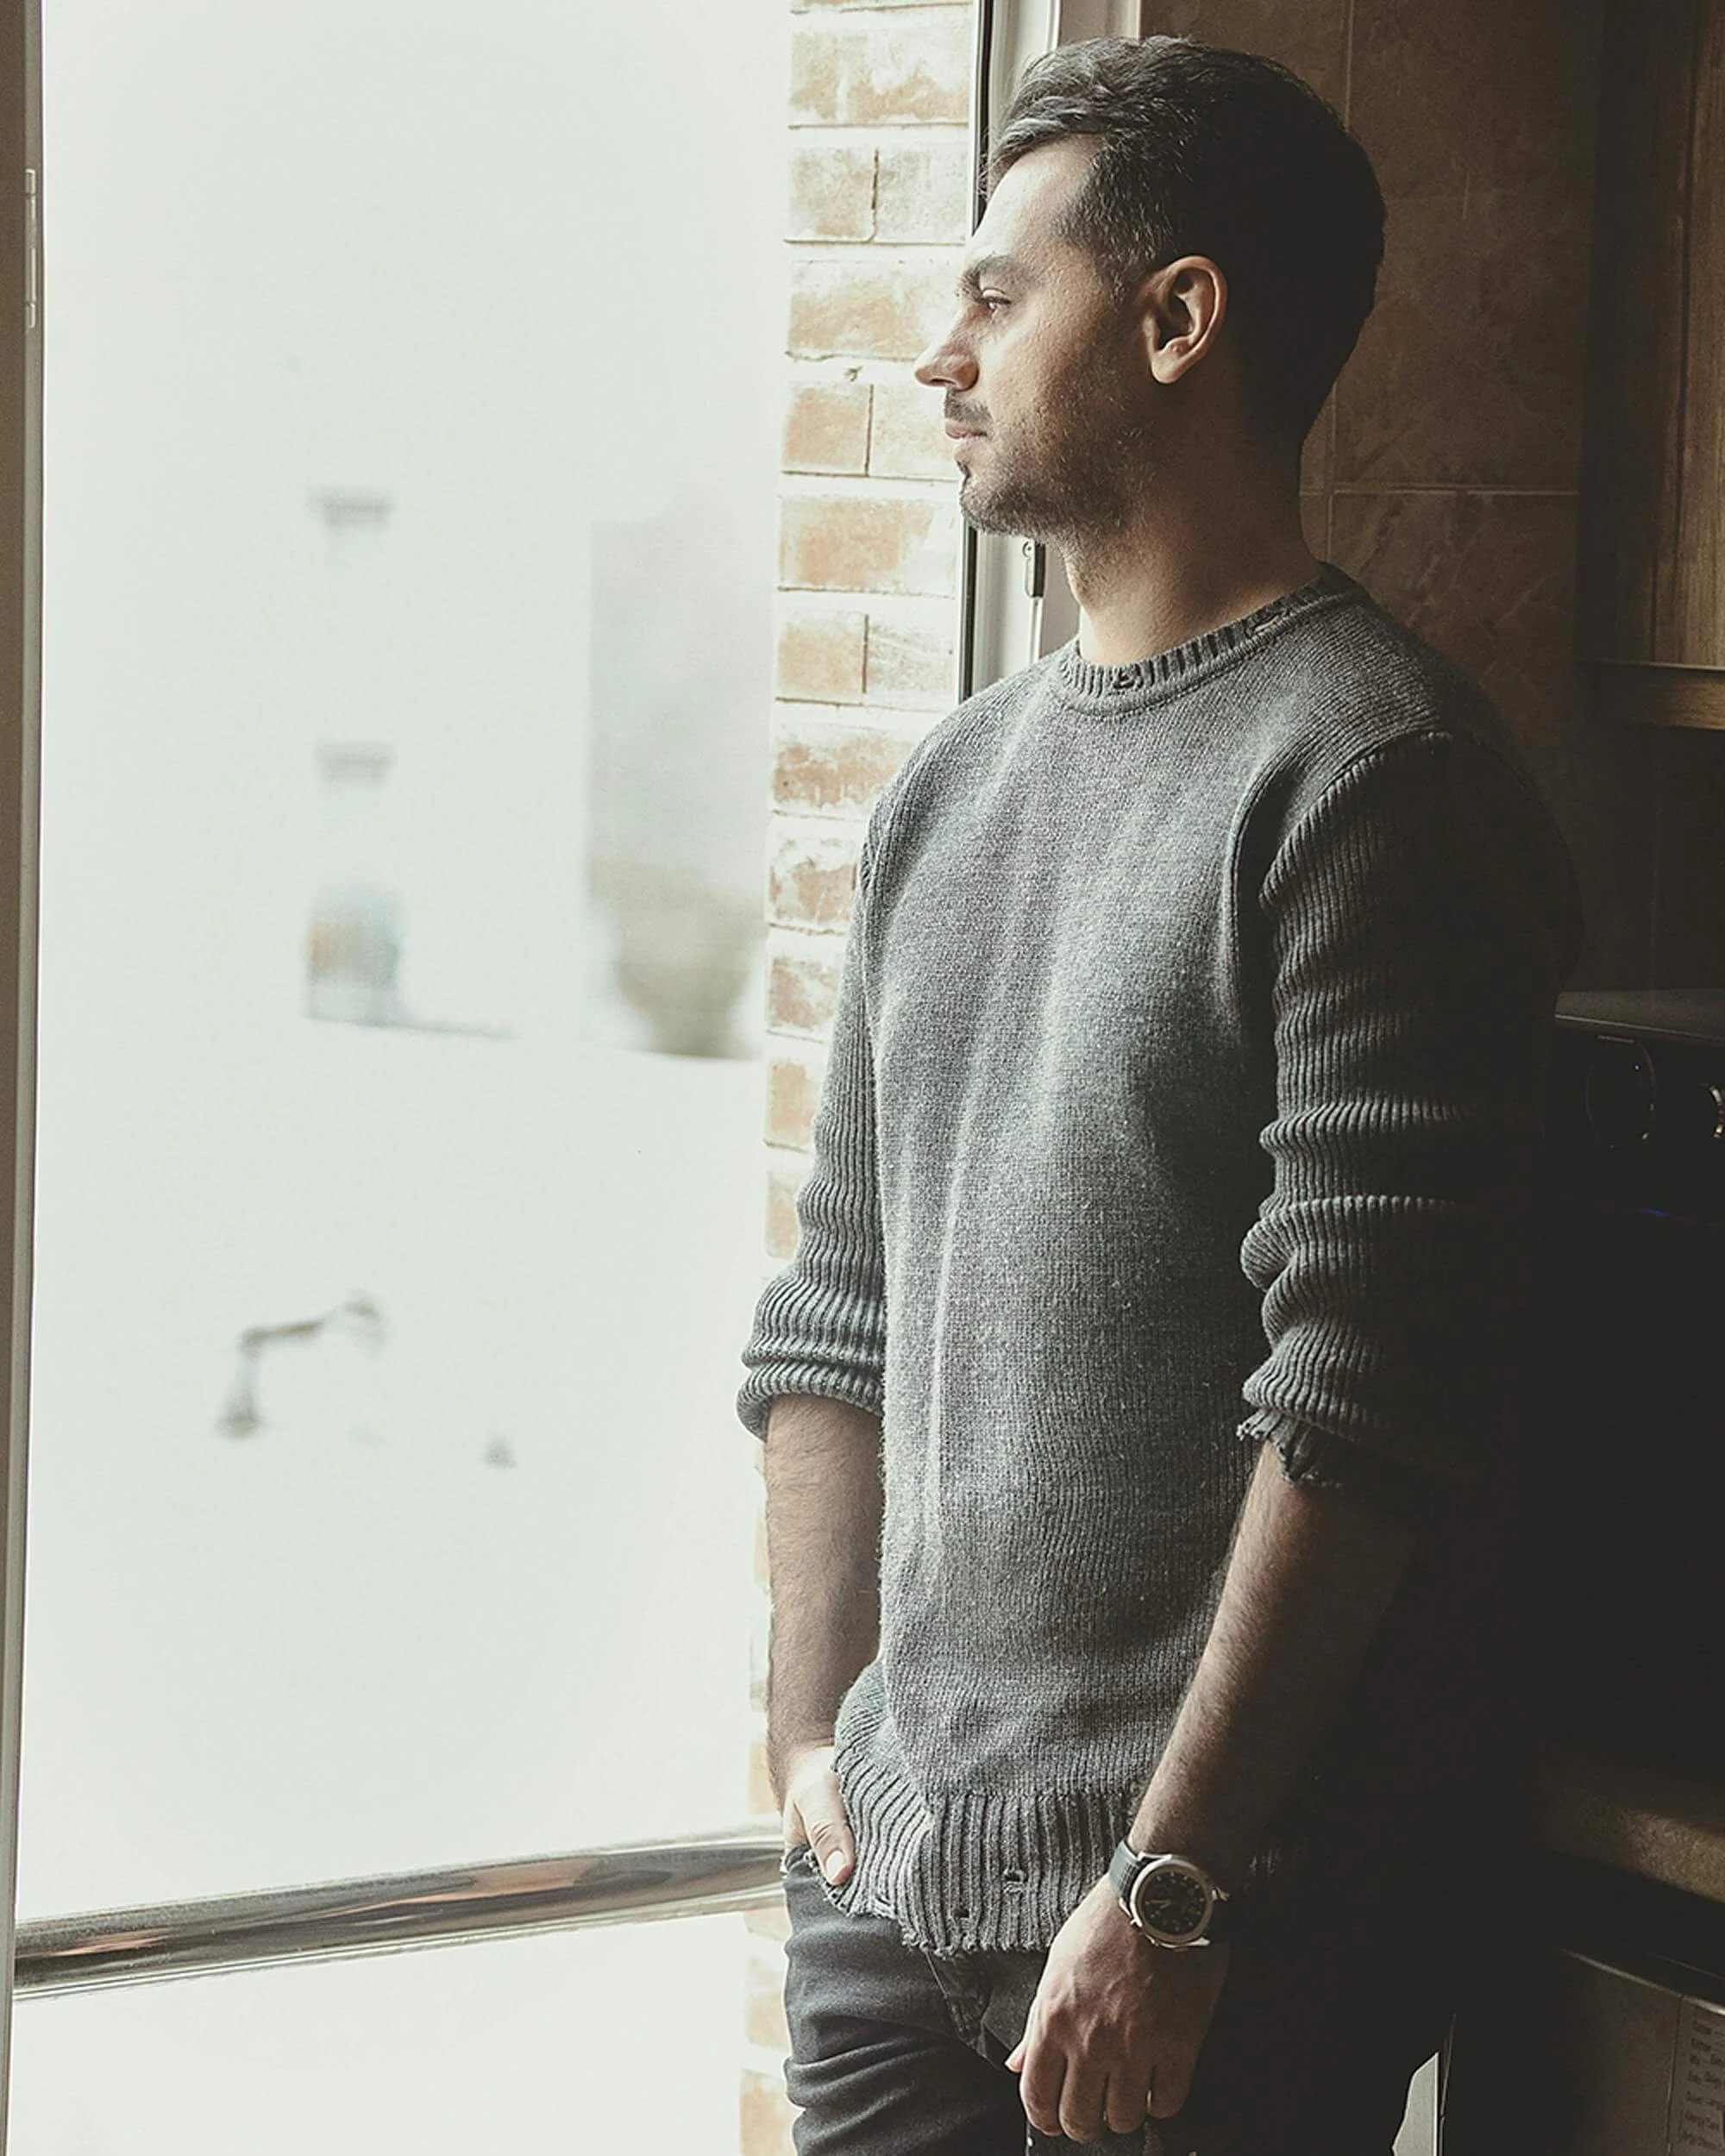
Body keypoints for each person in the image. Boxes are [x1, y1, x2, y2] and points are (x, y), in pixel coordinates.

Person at [738, 35, 1579, 2156]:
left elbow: (1366, 1394)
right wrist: (811, 1744)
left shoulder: (1375, 782)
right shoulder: (949, 780)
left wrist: (1168, 1886)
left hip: (1207, 1944)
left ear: (1180, 318)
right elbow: (833, 1301)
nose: (939, 356)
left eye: (996, 296)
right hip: (894, 1895)